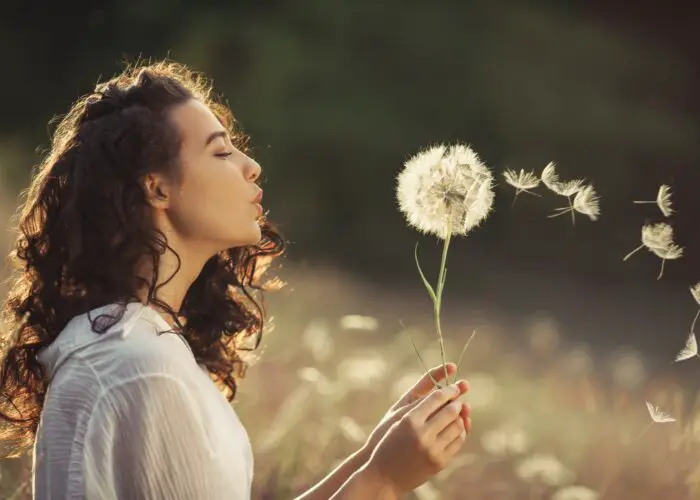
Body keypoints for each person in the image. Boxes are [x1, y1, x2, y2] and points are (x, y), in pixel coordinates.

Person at [0, 60, 471, 499]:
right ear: (157, 188)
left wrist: (371, 455)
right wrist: (383, 480)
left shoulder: (137, 345)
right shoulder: (141, 368)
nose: (252, 165)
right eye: (221, 151)